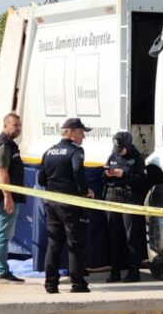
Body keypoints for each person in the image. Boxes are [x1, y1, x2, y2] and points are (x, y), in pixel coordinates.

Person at [37, 118, 93, 294]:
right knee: (76, 244)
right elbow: (77, 171)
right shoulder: (76, 151)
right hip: (71, 203)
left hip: (52, 202)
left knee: (54, 244)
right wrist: (84, 191)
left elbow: (41, 178)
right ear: (70, 131)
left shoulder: (49, 152)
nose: (83, 136)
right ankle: (78, 284)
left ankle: (50, 284)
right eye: (81, 131)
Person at [102, 131, 148, 283]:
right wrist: (107, 174)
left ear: (128, 145)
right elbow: (103, 176)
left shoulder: (137, 158)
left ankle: (133, 272)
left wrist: (124, 175)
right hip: (112, 198)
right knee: (113, 238)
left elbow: (142, 181)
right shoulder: (113, 156)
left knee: (131, 237)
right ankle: (115, 271)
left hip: (129, 199)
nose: (119, 151)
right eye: (117, 148)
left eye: (121, 148)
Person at [0, 112, 26, 284]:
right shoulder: (4, 145)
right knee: (3, 234)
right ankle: (2, 271)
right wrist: (7, 196)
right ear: (5, 125)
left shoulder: (6, 143)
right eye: (14, 125)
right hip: (2, 197)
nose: (18, 129)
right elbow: (2, 171)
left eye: (19, 125)